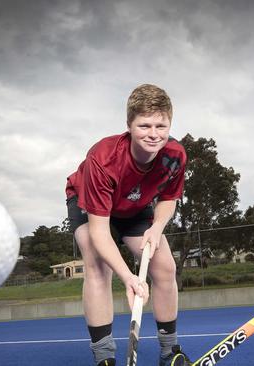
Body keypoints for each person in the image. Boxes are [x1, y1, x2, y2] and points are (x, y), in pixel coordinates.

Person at [65, 84, 191, 366]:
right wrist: (130, 278)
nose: (154, 134)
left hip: (135, 207)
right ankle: (104, 357)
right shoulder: (103, 159)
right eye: (144, 125)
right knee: (99, 266)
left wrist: (157, 227)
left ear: (170, 123)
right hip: (90, 204)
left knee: (165, 266)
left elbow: (169, 199)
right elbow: (99, 231)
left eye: (161, 125)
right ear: (129, 125)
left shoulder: (175, 155)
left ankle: (170, 352)